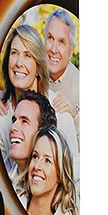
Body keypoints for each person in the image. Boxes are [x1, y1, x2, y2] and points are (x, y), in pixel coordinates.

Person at [0, 24, 78, 165]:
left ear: (38, 67)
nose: (19, 63)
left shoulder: (59, 111)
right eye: (14, 53)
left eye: (28, 55)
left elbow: (75, 168)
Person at [16, 126, 79, 215]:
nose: (37, 166)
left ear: (60, 174)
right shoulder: (10, 206)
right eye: (35, 156)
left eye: (47, 160)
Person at [3, 90, 56, 183]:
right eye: (14, 120)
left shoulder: (53, 184)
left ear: (42, 133)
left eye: (24, 121)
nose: (13, 127)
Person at [43, 9, 80, 138]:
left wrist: (74, 114)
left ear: (71, 52)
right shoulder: (32, 72)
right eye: (50, 38)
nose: (53, 49)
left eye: (61, 42)